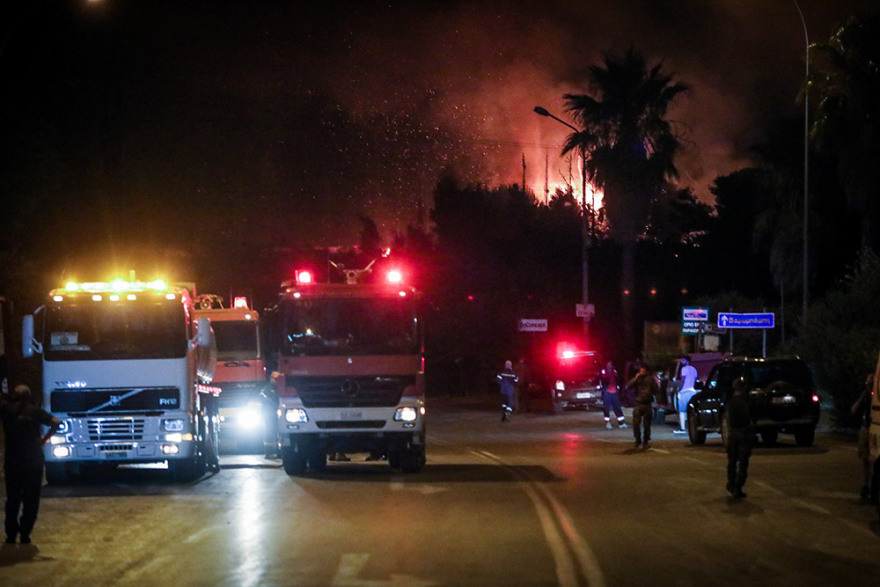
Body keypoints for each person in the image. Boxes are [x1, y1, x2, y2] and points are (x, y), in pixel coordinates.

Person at [1, 384, 61, 545]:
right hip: (33, 461)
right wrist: (44, 439)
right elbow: (56, 422)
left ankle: (11, 534)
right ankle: (25, 533)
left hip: (13, 461)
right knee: (31, 499)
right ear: (29, 396)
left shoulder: (7, 411)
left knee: (13, 498)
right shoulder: (35, 411)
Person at [726, 377, 754, 499]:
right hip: (744, 433)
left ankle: (732, 484)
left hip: (734, 434)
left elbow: (728, 420)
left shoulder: (731, 402)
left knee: (733, 461)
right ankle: (737, 486)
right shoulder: (746, 402)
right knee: (742, 462)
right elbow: (752, 418)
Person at [627, 363, 660, 449]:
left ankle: (645, 441)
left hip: (647, 403)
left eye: (643, 370)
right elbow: (628, 386)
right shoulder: (637, 379)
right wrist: (635, 378)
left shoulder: (651, 380)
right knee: (636, 424)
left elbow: (656, 391)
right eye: (640, 370)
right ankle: (638, 440)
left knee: (647, 424)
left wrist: (657, 402)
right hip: (638, 403)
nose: (642, 372)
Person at [851, 373, 873, 500]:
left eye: (871, 384)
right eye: (868, 383)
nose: (869, 386)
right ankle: (865, 484)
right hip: (865, 427)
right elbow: (854, 410)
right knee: (864, 458)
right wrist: (862, 396)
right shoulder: (864, 396)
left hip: (872, 427)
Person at [675, 355, 699, 434]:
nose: (682, 361)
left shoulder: (684, 369)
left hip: (684, 391)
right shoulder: (694, 369)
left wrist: (679, 390)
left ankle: (682, 428)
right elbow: (694, 381)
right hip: (692, 391)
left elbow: (682, 380)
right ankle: (692, 426)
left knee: (682, 410)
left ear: (687, 361)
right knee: (691, 409)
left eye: (683, 360)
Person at [601, 361, 626, 429]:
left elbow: (618, 380)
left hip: (614, 392)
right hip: (607, 392)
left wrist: (618, 388)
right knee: (607, 408)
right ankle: (608, 423)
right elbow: (602, 379)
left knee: (617, 407)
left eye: (610, 365)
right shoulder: (604, 372)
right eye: (608, 365)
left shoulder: (614, 372)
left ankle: (621, 423)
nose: (609, 366)